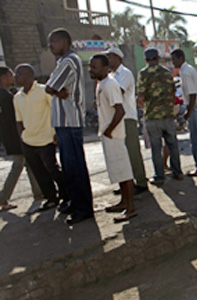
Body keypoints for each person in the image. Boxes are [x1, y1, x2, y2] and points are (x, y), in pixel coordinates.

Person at [45, 28, 93, 225]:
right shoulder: (62, 61)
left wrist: (55, 90)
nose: (51, 46)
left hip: (69, 121)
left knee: (75, 167)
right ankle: (75, 202)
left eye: (53, 42)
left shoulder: (69, 61)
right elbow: (54, 88)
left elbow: (50, 87)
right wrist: (56, 91)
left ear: (64, 41)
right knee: (69, 166)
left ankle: (84, 208)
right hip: (62, 122)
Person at [13, 64, 68, 213]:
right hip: (28, 141)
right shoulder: (17, 97)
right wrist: (22, 137)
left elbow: (55, 110)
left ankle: (66, 196)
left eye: (20, 74)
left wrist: (56, 133)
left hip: (46, 139)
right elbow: (19, 120)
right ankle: (51, 198)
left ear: (30, 75)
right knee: (39, 172)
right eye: (16, 74)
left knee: (53, 169)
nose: (16, 77)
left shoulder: (44, 90)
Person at [89, 54, 136, 222]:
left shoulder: (110, 84)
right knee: (118, 171)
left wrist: (109, 130)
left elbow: (120, 110)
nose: (91, 70)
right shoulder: (101, 84)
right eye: (90, 66)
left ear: (105, 68)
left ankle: (130, 208)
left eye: (94, 67)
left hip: (114, 135)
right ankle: (124, 202)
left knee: (124, 171)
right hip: (108, 134)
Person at [137, 48, 182, 184]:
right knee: (172, 145)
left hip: (153, 118)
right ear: (158, 59)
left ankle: (159, 176)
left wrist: (147, 109)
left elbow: (140, 98)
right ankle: (177, 172)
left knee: (156, 148)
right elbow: (173, 93)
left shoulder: (143, 73)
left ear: (146, 60)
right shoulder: (167, 72)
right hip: (168, 116)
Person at [106, 48, 148, 194]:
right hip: (115, 119)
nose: (108, 59)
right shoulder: (110, 76)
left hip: (127, 117)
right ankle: (126, 184)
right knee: (120, 154)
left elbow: (118, 93)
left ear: (118, 58)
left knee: (132, 151)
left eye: (110, 56)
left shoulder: (125, 73)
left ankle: (141, 182)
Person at [0, 67, 42, 211]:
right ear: (4, 77)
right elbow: (15, 120)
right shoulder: (7, 98)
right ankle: (2, 198)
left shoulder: (6, 95)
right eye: (12, 75)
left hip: (10, 137)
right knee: (18, 165)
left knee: (30, 163)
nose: (14, 78)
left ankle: (38, 193)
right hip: (16, 137)